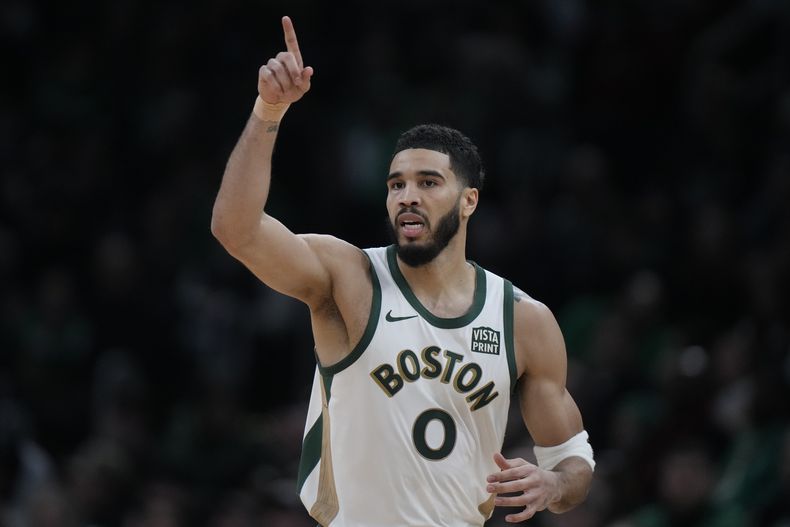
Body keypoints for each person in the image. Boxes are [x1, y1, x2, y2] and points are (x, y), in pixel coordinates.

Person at [211, 16, 594, 527]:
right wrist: (269, 111)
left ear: (468, 201)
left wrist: (554, 484)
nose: (407, 195)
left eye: (428, 182)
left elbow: (574, 460)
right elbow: (236, 230)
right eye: (395, 185)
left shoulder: (523, 320)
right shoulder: (348, 277)